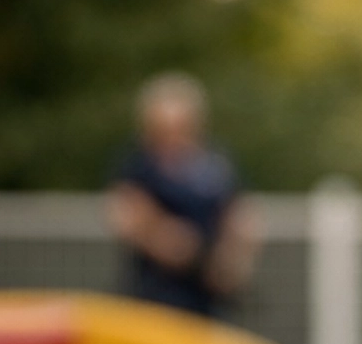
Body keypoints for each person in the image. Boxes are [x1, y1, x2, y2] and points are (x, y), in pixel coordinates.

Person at [107, 73, 258, 319]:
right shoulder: (137, 165)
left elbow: (241, 214)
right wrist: (175, 245)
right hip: (154, 297)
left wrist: (230, 261)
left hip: (210, 300)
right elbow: (127, 216)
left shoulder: (217, 164)